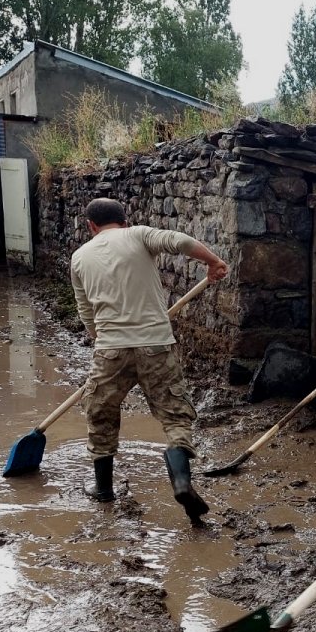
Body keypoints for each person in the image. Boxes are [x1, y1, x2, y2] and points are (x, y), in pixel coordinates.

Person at [70, 197, 228, 526]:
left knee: (100, 415)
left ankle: (103, 490)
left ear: (91, 226)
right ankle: (180, 478)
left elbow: (86, 312)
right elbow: (180, 241)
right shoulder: (139, 235)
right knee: (175, 415)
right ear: (124, 220)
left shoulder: (80, 257)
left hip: (111, 350)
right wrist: (213, 262)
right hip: (156, 345)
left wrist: (102, 339)